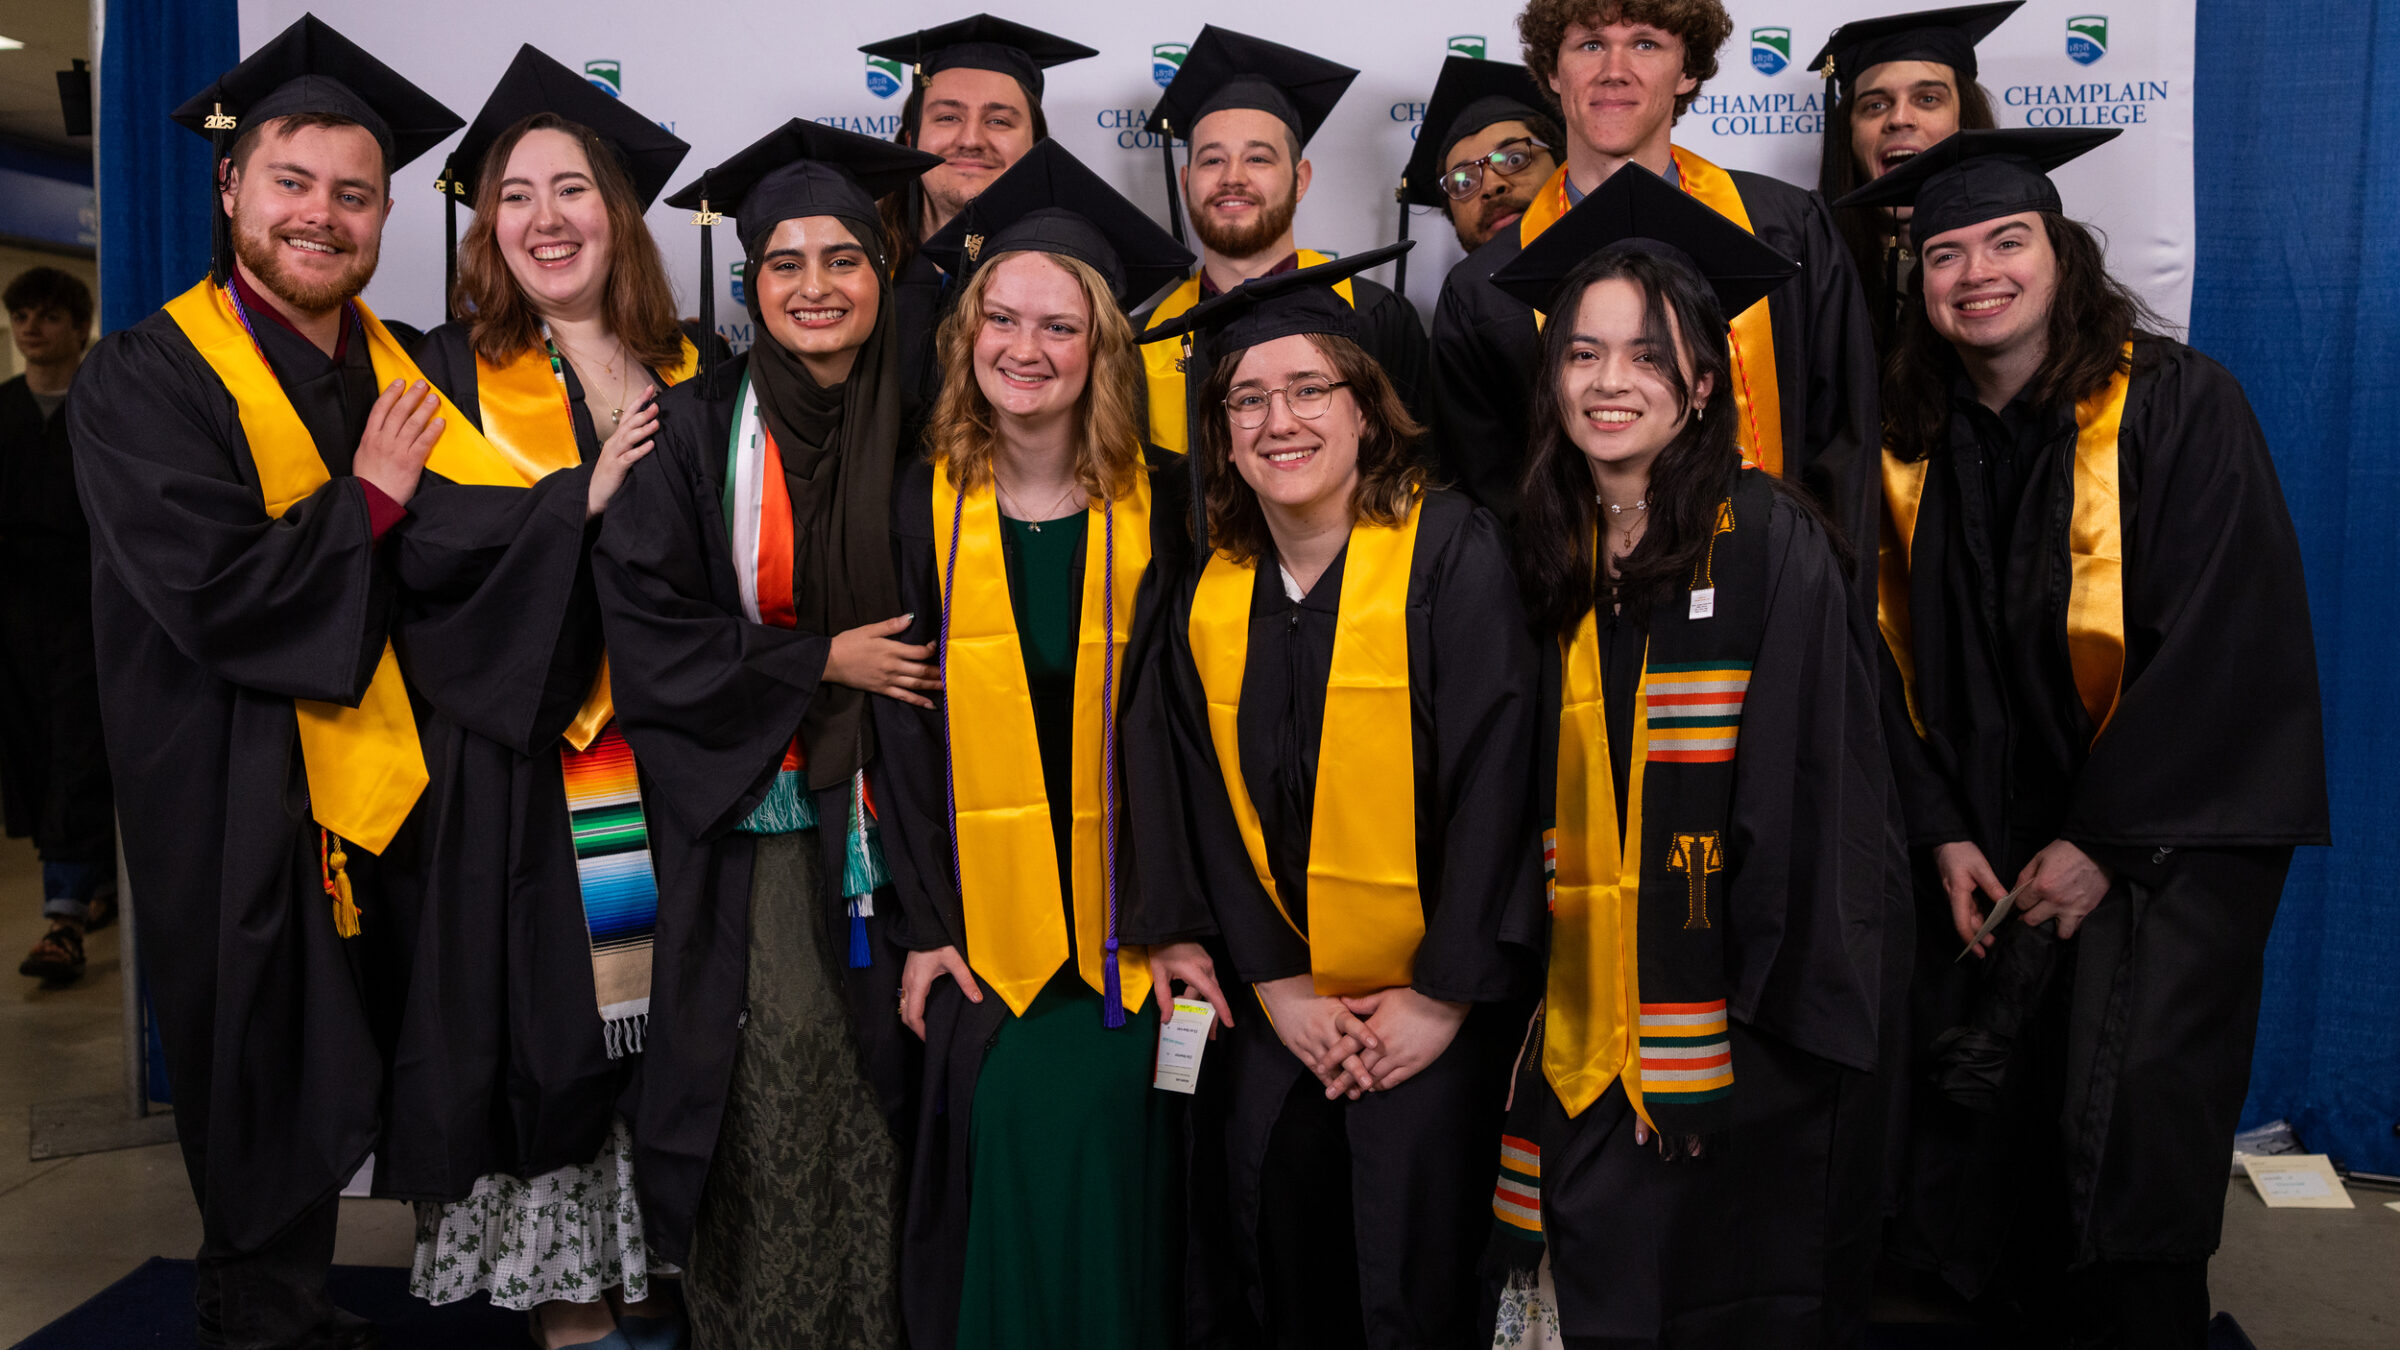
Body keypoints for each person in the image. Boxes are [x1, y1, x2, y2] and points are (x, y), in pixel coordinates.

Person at [1840, 129, 2330, 1348]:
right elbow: (1881, 663)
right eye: (1944, 255)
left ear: (2061, 255)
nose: (1975, 275)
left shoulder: (2180, 406)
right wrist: (1944, 830)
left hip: (2163, 844)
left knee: (2120, 1136)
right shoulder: (1910, 445)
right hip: (1995, 848)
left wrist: (2102, 841)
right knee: (1983, 1137)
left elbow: (2226, 638)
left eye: (2006, 242)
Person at [66, 14, 505, 1347]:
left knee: (386, 1031)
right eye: (293, 182)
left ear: (382, 217)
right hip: (235, 779)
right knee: (259, 1058)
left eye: (354, 194)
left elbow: (491, 541)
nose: (322, 216)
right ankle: (262, 1308)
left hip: (397, 783)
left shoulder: (412, 366)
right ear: (230, 187)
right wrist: (368, 500)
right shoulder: (143, 376)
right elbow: (210, 588)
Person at [1478, 162, 1900, 1348]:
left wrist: (1761, 1030)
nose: (1612, 384)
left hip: (1728, 1035)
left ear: (1705, 385)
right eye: (1583, 353)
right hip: (1569, 1021)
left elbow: (1817, 804)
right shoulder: (1540, 547)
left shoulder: (1769, 543)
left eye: (1649, 357)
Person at [1127, 246, 1544, 1349]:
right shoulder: (1209, 586)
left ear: (1368, 409)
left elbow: (1501, 783)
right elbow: (1199, 802)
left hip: (1434, 1014)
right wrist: (1281, 986)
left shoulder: (1454, 554)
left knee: (1418, 1250)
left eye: (1311, 388)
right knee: (1281, 1239)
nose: (1279, 421)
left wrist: (1441, 996)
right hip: (1286, 1012)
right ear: (1218, 433)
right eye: (1247, 399)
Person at [593, 118, 943, 1350]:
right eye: (783, 264)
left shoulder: (937, 418)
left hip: (925, 819)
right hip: (773, 824)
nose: (815, 286)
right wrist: (817, 662)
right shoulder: (694, 433)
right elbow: (645, 624)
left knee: (906, 1089)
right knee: (784, 1077)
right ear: (749, 284)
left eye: (842, 259)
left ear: (881, 272)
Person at [390, 45, 699, 1349]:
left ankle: (650, 1281)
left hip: (678, 775)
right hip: (521, 785)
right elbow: (427, 560)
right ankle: (570, 1307)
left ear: (617, 216)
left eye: (573, 189)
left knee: (665, 1039)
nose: (546, 217)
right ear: (484, 221)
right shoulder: (446, 376)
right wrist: (578, 503)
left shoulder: (697, 376)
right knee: (549, 1046)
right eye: (516, 194)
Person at [869, 138, 1195, 1350]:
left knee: (1120, 1121)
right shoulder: (918, 505)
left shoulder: (1171, 500)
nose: (1025, 348)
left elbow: (1191, 738)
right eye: (1000, 318)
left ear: (1103, 348)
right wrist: (925, 927)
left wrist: (1176, 924)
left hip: (1130, 930)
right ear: (964, 336)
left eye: (1059, 328)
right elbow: (898, 734)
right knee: (1004, 1112)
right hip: (985, 932)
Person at [1428, 0, 1879, 559]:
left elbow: (1843, 448)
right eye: (1590, 44)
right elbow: (1490, 505)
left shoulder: (1785, 227)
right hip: (1578, 620)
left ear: (1686, 70)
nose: (1613, 68)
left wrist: (1822, 613)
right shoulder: (1481, 290)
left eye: (1645, 43)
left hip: (1776, 597)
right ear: (1552, 71)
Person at [1141, 26, 1430, 452]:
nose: (1233, 177)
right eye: (1212, 159)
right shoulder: (1149, 341)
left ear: (1299, 180)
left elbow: (1419, 481)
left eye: (1258, 158)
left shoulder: (1375, 319)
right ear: (1186, 183)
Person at [859, 15, 1098, 425]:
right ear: (910, 140)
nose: (971, 139)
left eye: (999, 120)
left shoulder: (1078, 289)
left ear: (1036, 147)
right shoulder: (855, 276)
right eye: (947, 117)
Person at [2, 265, 116, 985]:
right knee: (34, 752)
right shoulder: (2, 410)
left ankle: (64, 916)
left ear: (80, 325)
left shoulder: (104, 407)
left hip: (90, 609)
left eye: (47, 315)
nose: (32, 328)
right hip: (13, 619)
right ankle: (89, 882)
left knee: (80, 749)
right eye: (21, 316)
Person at [1808, 2, 2021, 350]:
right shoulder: (1815, 280)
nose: (1900, 118)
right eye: (1875, 105)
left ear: (1965, 120)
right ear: (1848, 132)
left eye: (1928, 98)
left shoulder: (2018, 274)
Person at [1392, 55, 1562, 288]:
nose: (1491, 186)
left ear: (1564, 164)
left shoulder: (1624, 267)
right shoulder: (1458, 311)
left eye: (1514, 159)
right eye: (1463, 181)